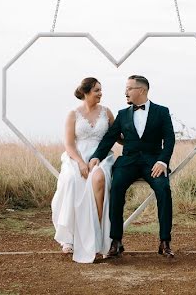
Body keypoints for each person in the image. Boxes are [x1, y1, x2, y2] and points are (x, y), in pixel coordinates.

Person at [89, 74, 176, 258]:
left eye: (129, 88)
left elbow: (169, 139)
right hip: (127, 162)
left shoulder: (162, 112)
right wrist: (97, 156)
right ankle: (116, 241)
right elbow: (109, 138)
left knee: (164, 189)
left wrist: (162, 161)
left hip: (153, 163)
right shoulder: (122, 114)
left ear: (141, 90)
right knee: (116, 188)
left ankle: (165, 241)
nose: (125, 92)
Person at [51, 77, 116, 263]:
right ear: (86, 92)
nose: (100, 93)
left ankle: (97, 236)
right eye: (97, 90)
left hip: (101, 157)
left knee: (98, 178)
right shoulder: (73, 114)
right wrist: (80, 162)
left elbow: (116, 135)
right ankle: (69, 237)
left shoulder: (107, 112)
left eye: (101, 90)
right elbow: (69, 144)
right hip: (77, 156)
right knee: (72, 181)